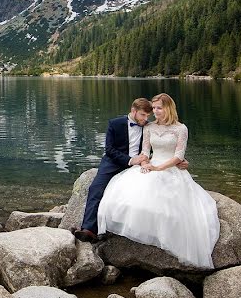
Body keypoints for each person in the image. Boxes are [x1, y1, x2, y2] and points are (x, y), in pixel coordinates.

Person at [96, 93, 220, 269]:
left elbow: (178, 156)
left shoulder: (181, 129)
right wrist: (146, 162)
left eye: (158, 108)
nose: (155, 112)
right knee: (126, 194)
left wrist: (159, 168)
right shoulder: (149, 127)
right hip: (152, 164)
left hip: (171, 168)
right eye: (153, 108)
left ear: (168, 108)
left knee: (173, 206)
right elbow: (145, 151)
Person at [73, 98, 155, 243]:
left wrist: (143, 160)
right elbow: (109, 150)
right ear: (133, 111)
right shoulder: (115, 123)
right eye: (143, 115)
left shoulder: (149, 127)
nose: (145, 119)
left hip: (138, 165)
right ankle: (89, 230)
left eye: (148, 116)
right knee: (96, 188)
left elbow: (157, 146)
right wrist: (130, 160)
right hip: (114, 162)